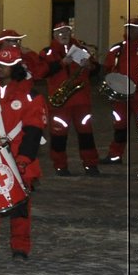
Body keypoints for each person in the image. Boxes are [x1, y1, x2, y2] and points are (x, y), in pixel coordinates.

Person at [0, 35, 46, 261]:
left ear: (16, 68)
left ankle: (20, 247)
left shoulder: (31, 96)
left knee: (20, 208)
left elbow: (34, 129)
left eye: (6, 66)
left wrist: (25, 159)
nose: (0, 70)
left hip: (18, 157)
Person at [40, 20, 101, 176]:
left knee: (86, 134)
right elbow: (41, 72)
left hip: (81, 100)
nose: (64, 35)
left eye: (67, 32)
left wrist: (90, 66)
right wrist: (61, 63)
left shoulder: (81, 49)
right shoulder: (47, 52)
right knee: (58, 136)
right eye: (60, 33)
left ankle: (90, 164)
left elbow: (96, 70)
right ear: (54, 35)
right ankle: (60, 165)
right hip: (60, 102)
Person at [104, 17, 138, 162]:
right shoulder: (117, 49)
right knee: (120, 125)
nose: (130, 30)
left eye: (134, 28)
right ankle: (115, 155)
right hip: (121, 96)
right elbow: (108, 68)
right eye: (128, 27)